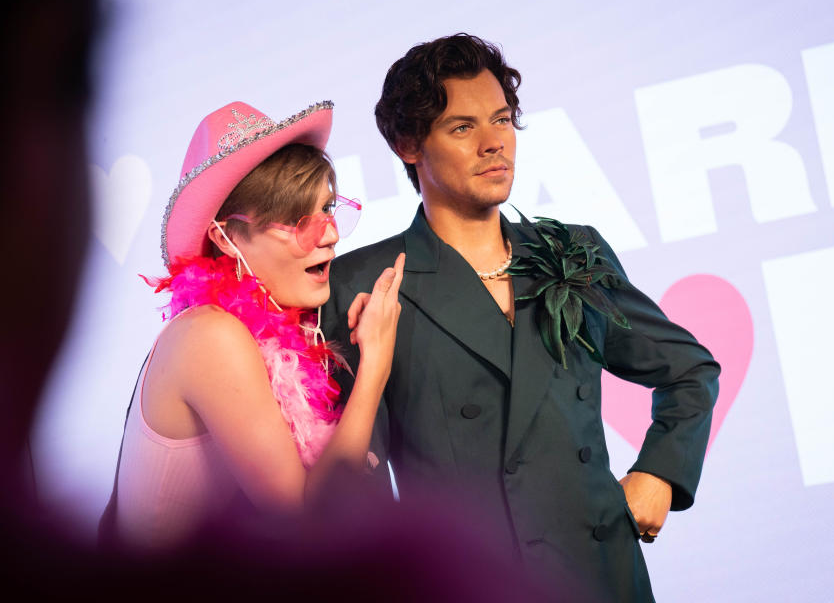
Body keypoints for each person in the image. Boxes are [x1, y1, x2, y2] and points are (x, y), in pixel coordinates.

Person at [322, 34, 721, 602]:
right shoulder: (365, 282)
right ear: (409, 144)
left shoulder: (573, 253)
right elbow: (359, 475)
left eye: (502, 120)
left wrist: (659, 473)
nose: (493, 144)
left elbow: (689, 370)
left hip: (601, 577)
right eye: (462, 127)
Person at [105, 100, 405, 549]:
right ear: (225, 237)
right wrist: (375, 363)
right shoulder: (210, 336)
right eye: (298, 221)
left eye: (327, 209)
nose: (330, 234)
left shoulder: (257, 334)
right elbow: (307, 518)